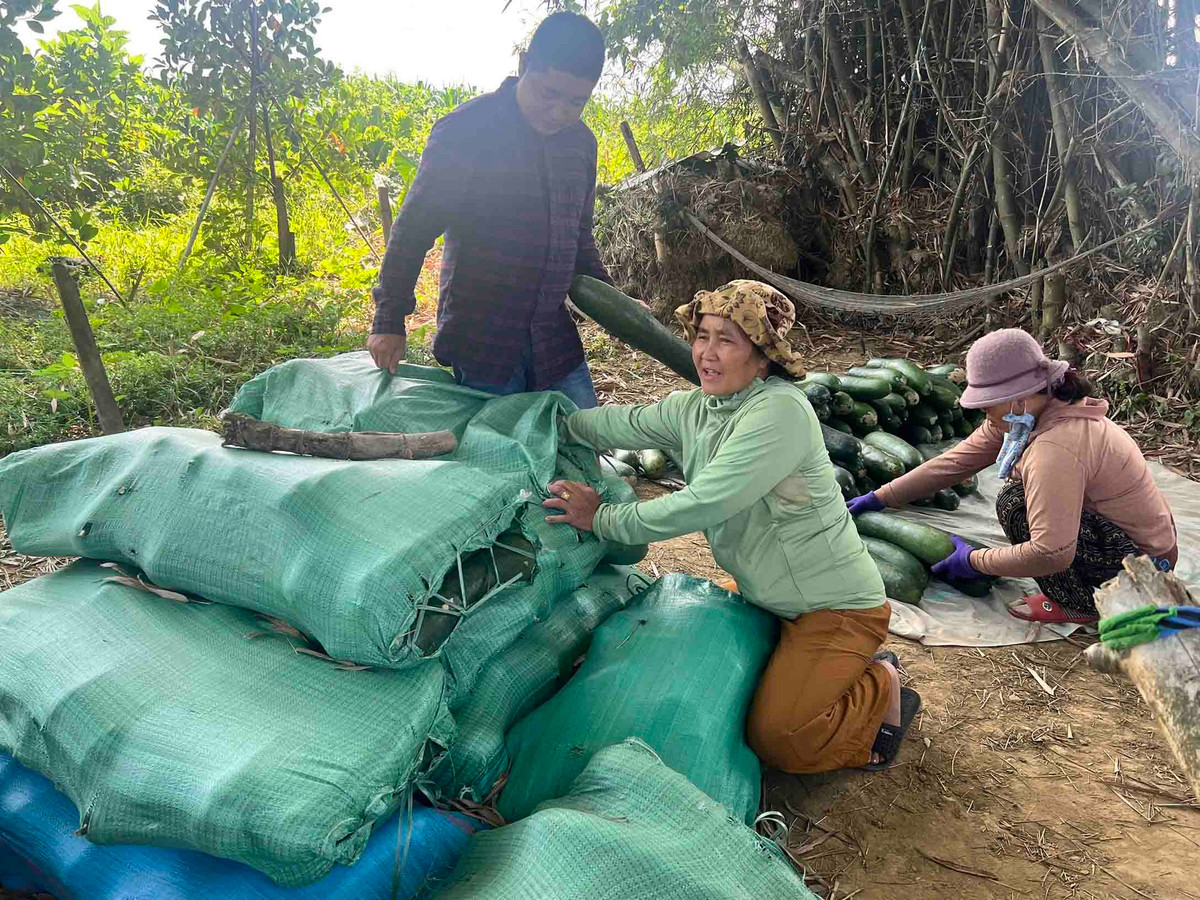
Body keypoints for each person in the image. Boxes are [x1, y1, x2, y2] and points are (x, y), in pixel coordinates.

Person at [542, 280, 922, 772]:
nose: (707, 353)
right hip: (763, 594)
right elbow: (621, 423)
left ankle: (880, 687)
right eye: (702, 336)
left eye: (728, 340)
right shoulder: (696, 408)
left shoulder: (780, 412)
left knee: (781, 738)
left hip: (834, 608)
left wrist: (604, 519)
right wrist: (553, 418)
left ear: (762, 357)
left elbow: (703, 503)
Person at [367, 12, 614, 410]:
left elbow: (578, 237)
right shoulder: (467, 131)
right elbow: (413, 229)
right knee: (499, 459)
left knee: (585, 444)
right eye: (549, 94)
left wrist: (615, 302)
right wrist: (389, 320)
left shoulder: (580, 144)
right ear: (523, 67)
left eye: (576, 102)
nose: (559, 112)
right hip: (484, 346)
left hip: (554, 344)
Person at [848, 329, 1178, 625]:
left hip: (1140, 567)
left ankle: (1076, 603)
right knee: (1018, 495)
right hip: (1130, 539)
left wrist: (976, 561)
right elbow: (954, 463)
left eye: (986, 403)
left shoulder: (1056, 447)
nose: (982, 412)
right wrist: (881, 497)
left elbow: (1052, 552)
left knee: (1014, 504)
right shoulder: (1030, 413)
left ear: (1017, 398)